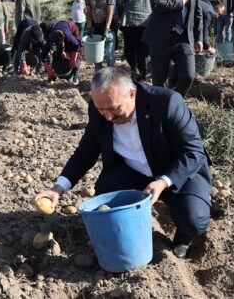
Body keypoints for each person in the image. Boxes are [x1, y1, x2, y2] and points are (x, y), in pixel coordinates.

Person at [35, 67, 212, 259]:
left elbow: (193, 151)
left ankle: (183, 238)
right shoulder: (99, 111)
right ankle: (130, 229)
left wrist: (163, 182)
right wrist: (57, 188)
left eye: (113, 108)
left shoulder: (167, 102)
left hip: (176, 171)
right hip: (135, 172)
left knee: (194, 220)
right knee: (105, 191)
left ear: (132, 94)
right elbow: (84, 154)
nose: (108, 117)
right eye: (101, 109)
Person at [141, 0, 203, 97]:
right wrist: (182, 1)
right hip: (161, 38)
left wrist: (199, 37)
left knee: (188, 75)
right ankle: (161, 111)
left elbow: (197, 10)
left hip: (183, 37)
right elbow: (157, 5)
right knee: (159, 83)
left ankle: (175, 102)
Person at [117, 0, 152, 81]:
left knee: (129, 49)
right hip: (147, 22)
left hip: (130, 22)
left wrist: (120, 15)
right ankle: (141, 78)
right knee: (143, 51)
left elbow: (119, 1)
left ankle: (134, 68)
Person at [85, 0, 115, 70]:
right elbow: (88, 12)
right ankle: (99, 82)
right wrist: (89, 27)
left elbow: (110, 11)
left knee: (110, 56)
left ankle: (111, 80)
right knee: (97, 58)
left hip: (108, 28)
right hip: (95, 28)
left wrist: (107, 28)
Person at [41, 20, 83, 85]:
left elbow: (76, 45)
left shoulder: (69, 38)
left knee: (77, 56)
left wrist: (73, 59)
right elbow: (43, 54)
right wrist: (48, 69)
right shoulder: (50, 39)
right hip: (59, 30)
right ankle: (51, 78)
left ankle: (75, 77)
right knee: (55, 54)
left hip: (71, 27)